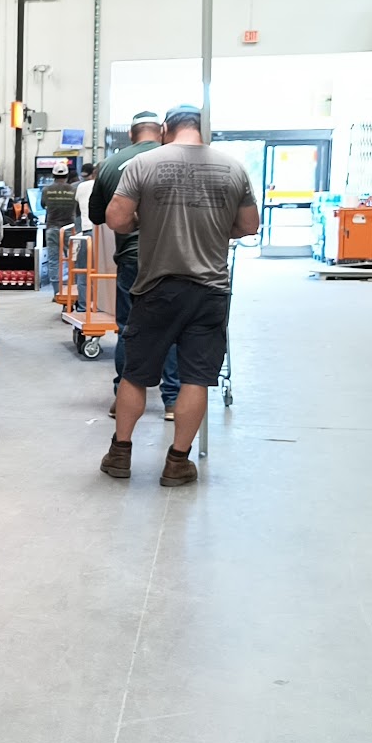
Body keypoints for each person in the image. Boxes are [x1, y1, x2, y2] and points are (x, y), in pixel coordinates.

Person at [99, 104, 258, 486]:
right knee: (195, 378)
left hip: (156, 286)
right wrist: (218, 229)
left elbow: (116, 219)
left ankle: (120, 453)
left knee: (136, 374)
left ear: (166, 129)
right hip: (210, 290)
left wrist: (147, 220)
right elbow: (249, 225)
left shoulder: (144, 164)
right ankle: (177, 462)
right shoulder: (233, 168)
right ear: (204, 128)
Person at [91, 112, 181, 419]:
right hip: (170, 258)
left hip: (130, 257)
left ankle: (123, 397)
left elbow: (97, 215)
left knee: (129, 328)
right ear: (161, 132)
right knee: (170, 327)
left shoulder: (111, 164)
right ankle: (172, 400)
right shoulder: (175, 160)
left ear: (131, 134)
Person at [39, 161, 78, 301]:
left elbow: (43, 205)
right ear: (67, 175)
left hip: (52, 228)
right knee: (73, 259)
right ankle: (74, 291)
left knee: (54, 261)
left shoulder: (46, 190)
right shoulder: (73, 190)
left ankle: (56, 293)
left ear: (53, 175)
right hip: (69, 228)